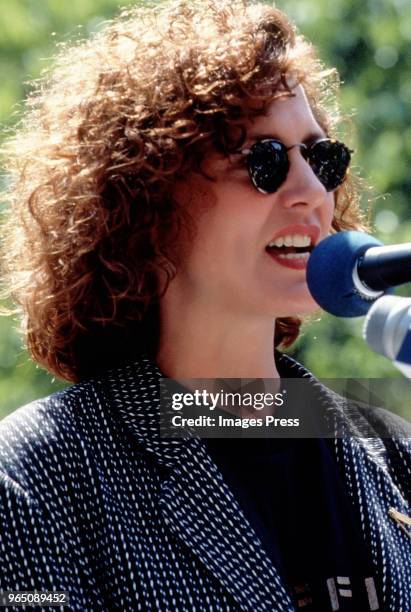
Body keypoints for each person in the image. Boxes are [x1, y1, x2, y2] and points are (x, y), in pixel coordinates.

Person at [0, 1, 409, 610]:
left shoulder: (393, 453)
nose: (311, 192)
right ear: (146, 201)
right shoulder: (37, 478)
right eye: (263, 162)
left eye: (322, 159)